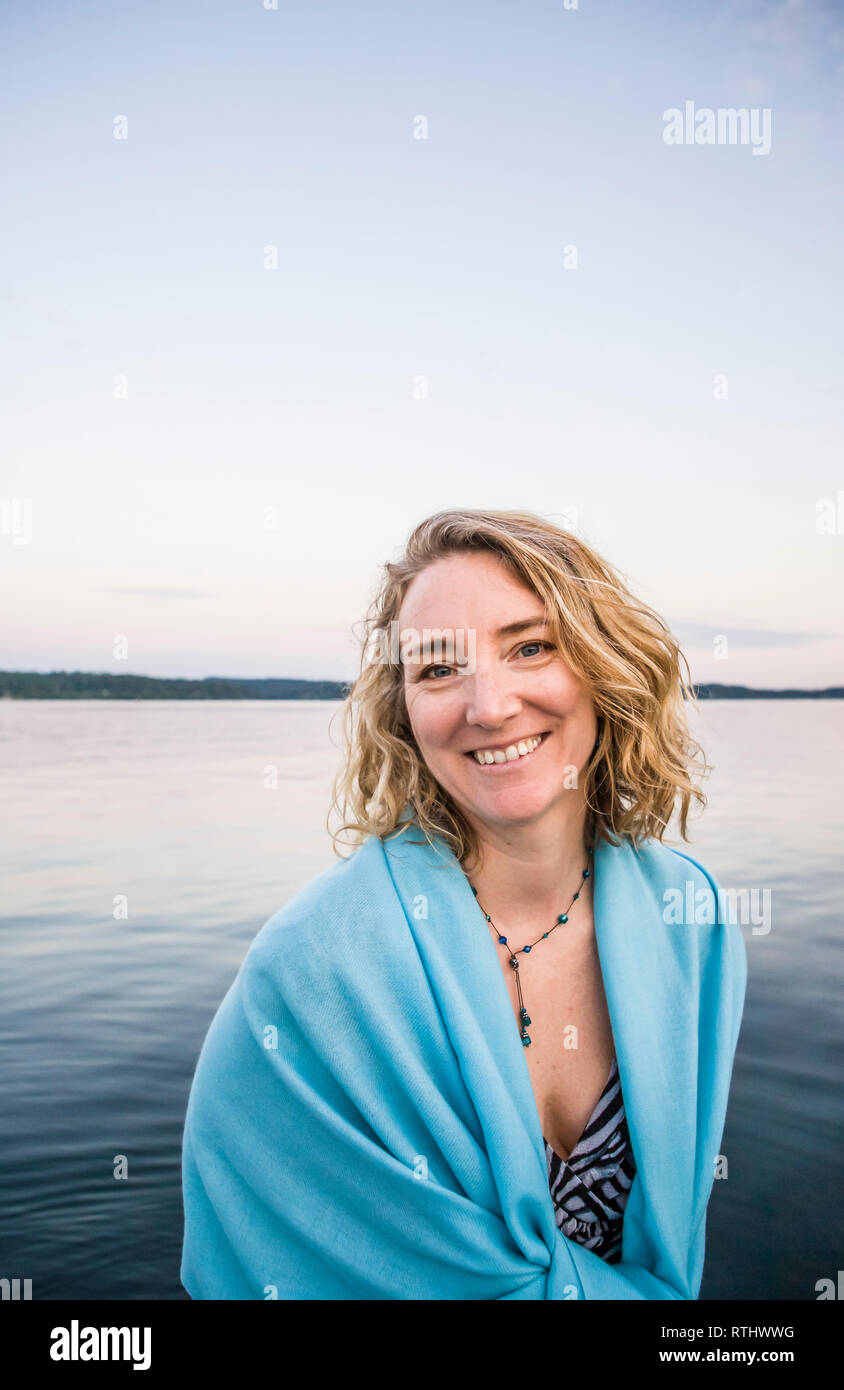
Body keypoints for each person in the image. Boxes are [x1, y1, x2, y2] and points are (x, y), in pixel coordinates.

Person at [180, 508, 747, 1300]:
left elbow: (668, 1238)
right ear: (405, 714)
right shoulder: (314, 968)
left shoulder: (692, 920)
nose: (489, 706)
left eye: (531, 646)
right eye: (438, 669)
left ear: (603, 664)